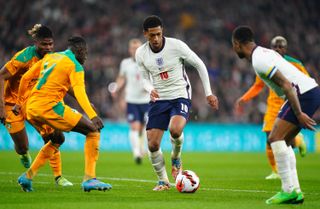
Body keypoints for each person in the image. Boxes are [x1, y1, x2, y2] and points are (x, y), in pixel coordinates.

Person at [232, 26, 320, 204]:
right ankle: (296, 191)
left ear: (237, 44)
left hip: (303, 94)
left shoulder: (259, 60)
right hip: (308, 91)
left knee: (274, 138)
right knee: (285, 142)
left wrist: (299, 114)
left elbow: (287, 86)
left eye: (233, 46)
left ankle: (287, 190)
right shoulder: (263, 52)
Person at [16, 36, 112, 192]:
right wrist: (92, 115)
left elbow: (25, 78)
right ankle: (90, 178)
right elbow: (81, 93)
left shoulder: (51, 57)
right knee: (93, 131)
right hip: (50, 107)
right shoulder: (75, 65)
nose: (86, 57)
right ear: (79, 50)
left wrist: (19, 103)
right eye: (85, 53)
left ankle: (27, 177)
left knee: (57, 138)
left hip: (32, 107)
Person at [135, 15, 219, 191]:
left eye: (158, 34)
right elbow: (143, 78)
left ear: (162, 31)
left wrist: (208, 93)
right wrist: (149, 88)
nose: (156, 39)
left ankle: (176, 157)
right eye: (152, 35)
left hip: (180, 95)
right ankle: (163, 181)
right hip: (159, 99)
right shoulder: (141, 53)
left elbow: (199, 64)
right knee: (152, 144)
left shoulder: (176, 46)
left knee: (175, 129)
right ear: (145, 34)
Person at [0, 24, 72, 186]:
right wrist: (1, 107)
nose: (48, 48)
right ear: (36, 42)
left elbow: (64, 84)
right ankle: (23, 153)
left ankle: (58, 176)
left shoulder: (53, 60)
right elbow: (1, 75)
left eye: (50, 44)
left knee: (52, 136)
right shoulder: (24, 57)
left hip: (33, 103)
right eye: (44, 44)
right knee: (23, 146)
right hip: (12, 104)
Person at [235, 36, 308, 180]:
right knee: (269, 140)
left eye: (281, 47)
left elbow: (306, 81)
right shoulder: (265, 62)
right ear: (271, 48)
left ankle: (297, 141)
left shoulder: (295, 64)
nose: (278, 49)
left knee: (283, 140)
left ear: (286, 49)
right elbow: (258, 85)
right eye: (275, 47)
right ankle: (276, 171)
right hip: (272, 107)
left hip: (288, 104)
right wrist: (245, 98)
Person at [111, 39, 149, 165]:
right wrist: (116, 87)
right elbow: (121, 78)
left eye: (137, 48)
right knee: (134, 126)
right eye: (133, 48)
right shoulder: (125, 63)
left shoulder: (147, 61)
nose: (135, 50)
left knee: (145, 127)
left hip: (146, 100)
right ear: (129, 50)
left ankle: (143, 147)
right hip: (131, 100)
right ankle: (136, 153)